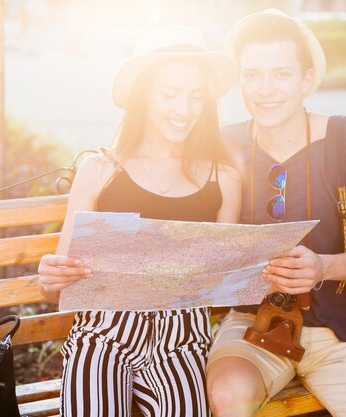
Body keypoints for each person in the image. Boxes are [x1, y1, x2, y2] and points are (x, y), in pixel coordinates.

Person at [206, 10, 346, 417]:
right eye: (252, 75)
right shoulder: (225, 145)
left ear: (306, 80)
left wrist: (323, 266)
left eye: (281, 74)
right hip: (253, 329)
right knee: (228, 399)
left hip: (339, 336)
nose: (265, 90)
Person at [37, 26, 241, 417]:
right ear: (143, 95)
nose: (184, 109)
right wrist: (50, 278)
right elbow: (57, 288)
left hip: (182, 341)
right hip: (104, 336)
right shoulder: (100, 171)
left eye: (196, 97)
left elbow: (224, 282)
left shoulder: (223, 178)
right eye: (169, 94)